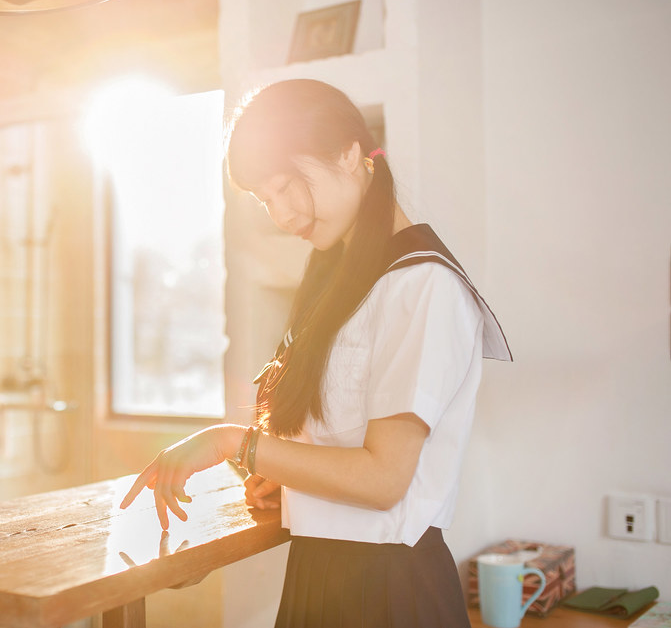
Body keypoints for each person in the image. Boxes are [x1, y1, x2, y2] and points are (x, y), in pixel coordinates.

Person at [119, 79, 511, 627]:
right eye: (265, 200)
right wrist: (293, 483)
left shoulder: (423, 285)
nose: (280, 215)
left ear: (350, 154)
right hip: (322, 576)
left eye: (286, 187)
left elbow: (384, 481)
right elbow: (346, 451)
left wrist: (235, 443)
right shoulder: (346, 281)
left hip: (388, 595)